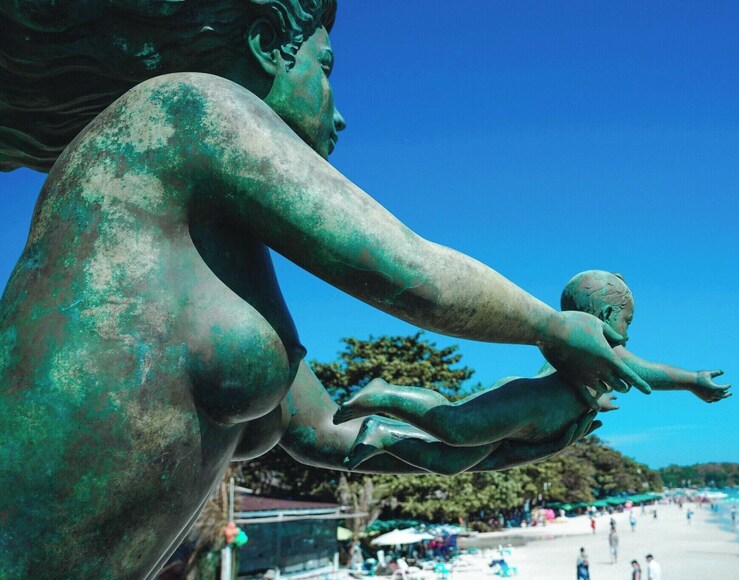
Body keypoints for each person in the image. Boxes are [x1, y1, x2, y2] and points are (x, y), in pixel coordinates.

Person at [0, 3, 652, 577]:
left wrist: (492, 442)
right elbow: (412, 274)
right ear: (264, 43)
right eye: (327, 67)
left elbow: (322, 430)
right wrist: (555, 327)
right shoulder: (184, 109)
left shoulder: (225, 253)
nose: (340, 115)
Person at [335, 271, 731, 469]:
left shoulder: (586, 360)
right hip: (523, 405)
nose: (629, 331)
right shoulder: (599, 348)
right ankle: (384, 394)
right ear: (608, 315)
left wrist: (594, 396)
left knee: (452, 463)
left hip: (526, 422)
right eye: (629, 320)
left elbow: (581, 382)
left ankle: (384, 435)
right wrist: (693, 381)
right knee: (457, 426)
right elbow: (648, 371)